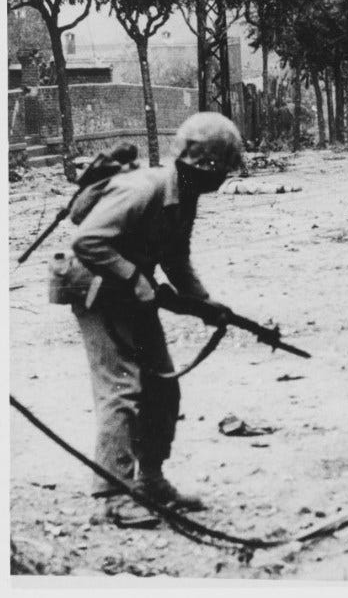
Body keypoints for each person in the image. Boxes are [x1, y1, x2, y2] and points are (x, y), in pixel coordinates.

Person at [67, 112, 243, 528]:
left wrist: (205, 304)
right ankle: (112, 494)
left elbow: (176, 259)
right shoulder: (143, 189)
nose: (223, 181)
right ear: (205, 165)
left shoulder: (184, 197)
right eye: (223, 170)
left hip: (129, 290)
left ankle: (150, 480)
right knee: (121, 388)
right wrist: (134, 278)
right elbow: (87, 241)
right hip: (96, 288)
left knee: (162, 381)